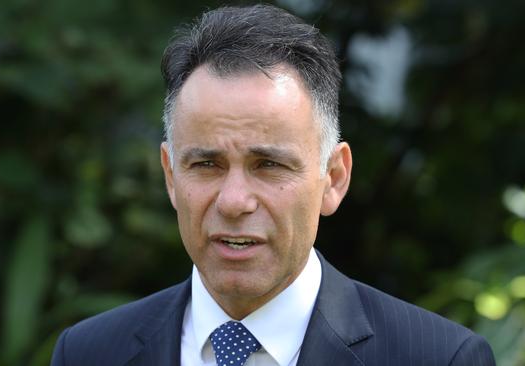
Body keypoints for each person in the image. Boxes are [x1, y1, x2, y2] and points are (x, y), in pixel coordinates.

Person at [50, 4, 496, 366]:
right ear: (170, 176)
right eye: (206, 164)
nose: (234, 201)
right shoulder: (88, 353)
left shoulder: (437, 358)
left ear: (333, 178)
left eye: (268, 165)